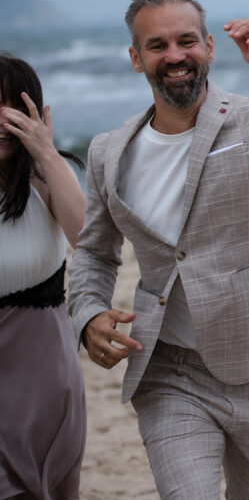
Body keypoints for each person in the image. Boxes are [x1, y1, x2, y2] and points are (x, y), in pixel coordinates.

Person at [67, 0, 249, 499]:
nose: (175, 56)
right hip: (169, 372)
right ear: (136, 59)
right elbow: (93, 250)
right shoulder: (108, 153)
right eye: (157, 46)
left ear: (209, 48)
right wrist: (88, 313)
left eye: (186, 41)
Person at [0, 53, 87, 499]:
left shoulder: (45, 178)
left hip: (43, 380)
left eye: (12, 107)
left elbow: (88, 239)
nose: (2, 121)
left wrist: (48, 153)